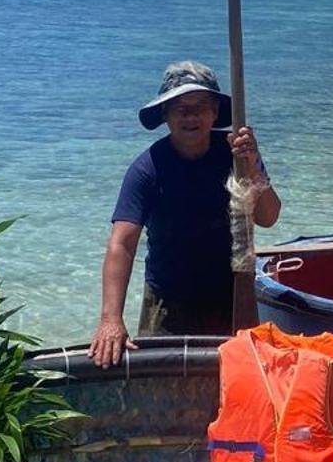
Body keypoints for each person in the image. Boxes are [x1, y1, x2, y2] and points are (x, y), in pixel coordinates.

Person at [89, 60, 282, 362]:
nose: (191, 116)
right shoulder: (147, 169)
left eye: (201, 106)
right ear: (165, 115)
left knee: (234, 390)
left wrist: (254, 165)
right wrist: (111, 320)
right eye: (180, 108)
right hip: (167, 305)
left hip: (232, 297)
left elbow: (268, 217)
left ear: (215, 112)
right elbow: (122, 244)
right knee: (159, 393)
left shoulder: (237, 155)